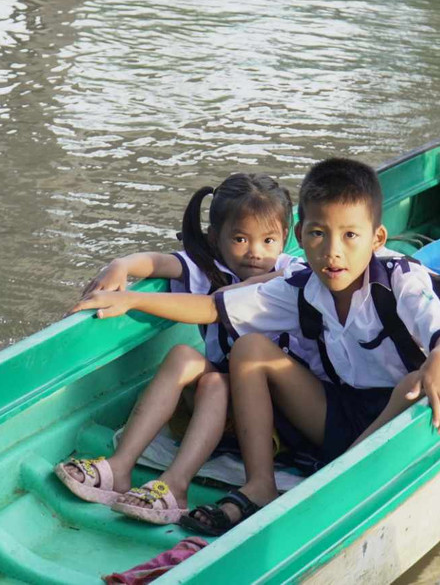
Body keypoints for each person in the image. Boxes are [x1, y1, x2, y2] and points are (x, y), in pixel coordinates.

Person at [73, 158, 440, 535]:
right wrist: (133, 299)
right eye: (318, 233)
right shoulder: (301, 286)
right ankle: (259, 485)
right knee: (250, 349)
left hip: (395, 413)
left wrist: (438, 361)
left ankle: (341, 479)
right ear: (299, 237)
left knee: (416, 382)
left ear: (377, 238)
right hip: (336, 412)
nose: (333, 251)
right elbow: (213, 307)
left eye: (350, 236)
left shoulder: (400, 277)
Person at [55, 173, 300, 525]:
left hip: (272, 416)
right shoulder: (213, 269)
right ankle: (119, 467)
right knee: (183, 357)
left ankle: (176, 485)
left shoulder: (289, 275)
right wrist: (119, 266)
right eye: (240, 238)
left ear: (285, 239)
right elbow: (156, 263)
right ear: (216, 239)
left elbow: (215, 305)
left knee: (215, 384)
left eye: (268, 240)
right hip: (221, 405)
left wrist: (132, 300)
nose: (255, 252)